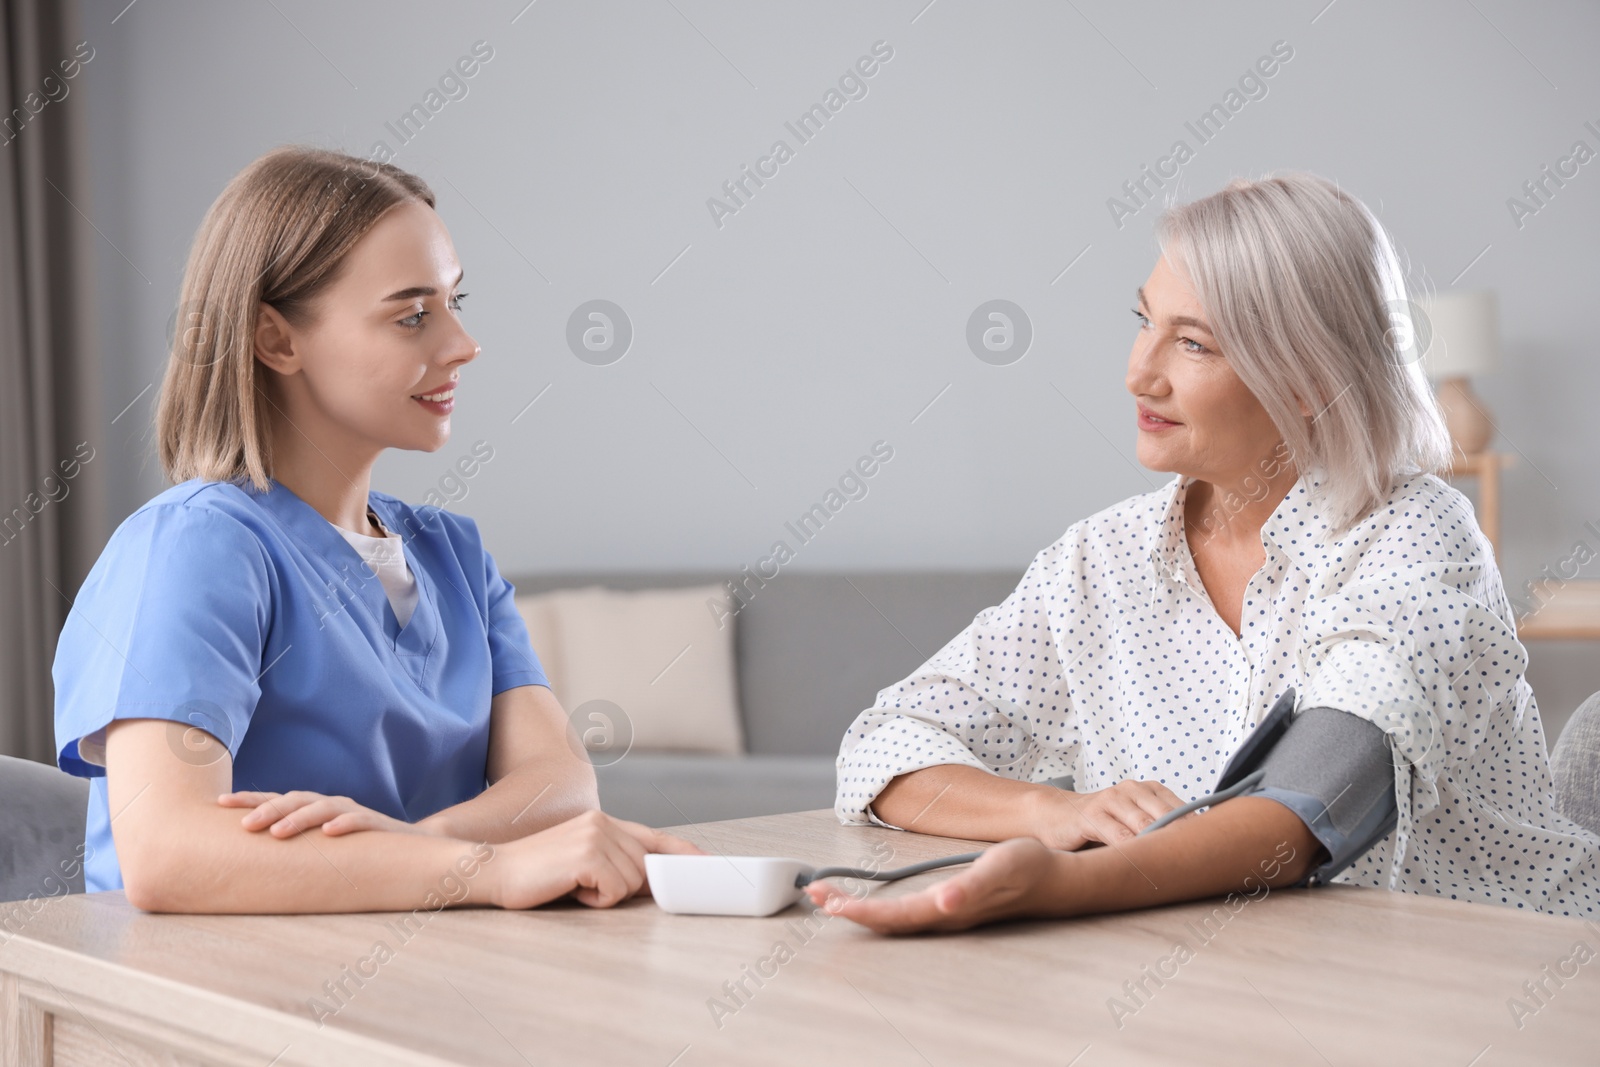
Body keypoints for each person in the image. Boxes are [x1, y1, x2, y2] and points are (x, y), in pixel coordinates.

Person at [815, 172, 1600, 933]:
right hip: (1244, 976)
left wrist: (1067, 884)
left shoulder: (1419, 536)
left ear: (1307, 380)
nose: (1137, 373)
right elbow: (883, 745)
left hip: (1509, 983)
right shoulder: (1098, 561)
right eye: (1142, 320)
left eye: (1192, 344)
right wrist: (1050, 811)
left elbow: (1313, 802)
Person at [52, 146, 700, 913]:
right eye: (413, 314)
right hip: (206, 998)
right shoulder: (196, 547)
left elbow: (560, 786)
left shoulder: (454, 553)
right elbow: (169, 853)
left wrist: (414, 849)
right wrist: (483, 868)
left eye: (458, 303)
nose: (462, 344)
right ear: (277, 340)